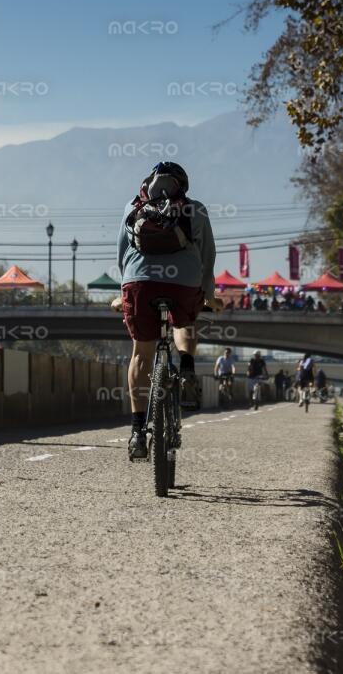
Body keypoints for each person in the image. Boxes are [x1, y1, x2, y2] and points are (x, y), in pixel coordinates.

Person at [113, 162, 220, 460]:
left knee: (140, 354)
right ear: (181, 186)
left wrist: (125, 292)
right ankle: (186, 367)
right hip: (183, 283)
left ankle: (137, 432)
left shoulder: (131, 208)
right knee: (184, 322)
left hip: (139, 283)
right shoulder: (195, 209)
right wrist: (207, 293)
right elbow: (208, 257)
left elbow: (122, 256)